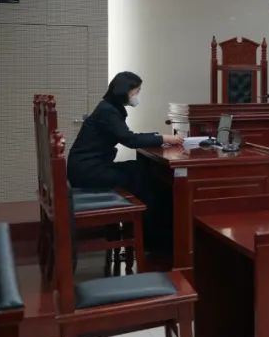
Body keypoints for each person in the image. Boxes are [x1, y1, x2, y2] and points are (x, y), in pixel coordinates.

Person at [68, 72, 183, 255]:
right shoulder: (108, 111)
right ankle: (155, 238)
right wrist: (163, 138)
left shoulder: (108, 107)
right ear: (124, 91)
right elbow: (129, 139)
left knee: (140, 169)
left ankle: (154, 234)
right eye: (136, 91)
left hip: (86, 168)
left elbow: (129, 136)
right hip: (88, 171)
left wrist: (158, 137)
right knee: (142, 177)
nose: (137, 95)